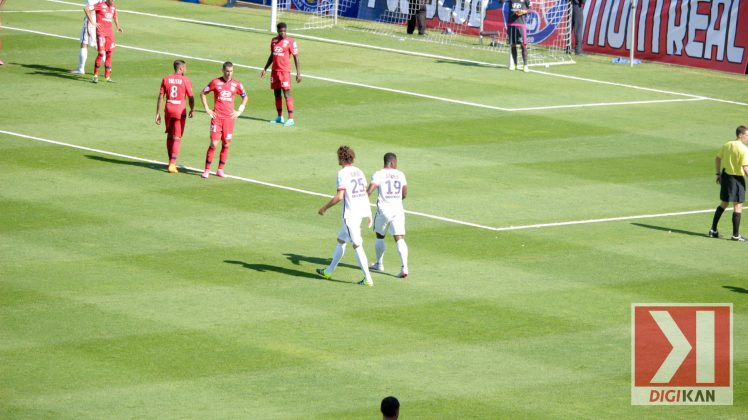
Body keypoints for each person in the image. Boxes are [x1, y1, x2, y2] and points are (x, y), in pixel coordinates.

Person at [316, 146, 375, 287]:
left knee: (357, 245)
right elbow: (364, 193)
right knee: (341, 240)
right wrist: (368, 213)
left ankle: (368, 279)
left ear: (342, 158)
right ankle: (328, 271)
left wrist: (324, 208)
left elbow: (340, 196)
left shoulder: (342, 173)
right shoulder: (359, 171)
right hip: (359, 212)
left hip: (350, 216)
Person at [200, 61, 248, 179]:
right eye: (227, 71)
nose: (229, 74)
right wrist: (207, 108)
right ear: (223, 70)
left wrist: (239, 111)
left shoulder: (237, 84)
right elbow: (203, 93)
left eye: (231, 71)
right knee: (213, 143)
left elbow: (245, 96)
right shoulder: (215, 82)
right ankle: (206, 170)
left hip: (229, 119)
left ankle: (220, 169)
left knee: (226, 144)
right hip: (217, 118)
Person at [367, 153, 409, 278]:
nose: (396, 165)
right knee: (399, 238)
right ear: (391, 162)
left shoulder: (379, 174)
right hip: (398, 210)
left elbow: (369, 191)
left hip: (384, 210)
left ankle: (379, 264)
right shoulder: (400, 174)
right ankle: (405, 267)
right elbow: (405, 193)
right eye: (396, 162)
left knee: (380, 236)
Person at [709, 126, 748, 241]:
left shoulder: (727, 145)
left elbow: (717, 158)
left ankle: (713, 230)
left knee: (724, 203)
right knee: (738, 205)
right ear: (740, 135)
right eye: (747, 135)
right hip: (737, 178)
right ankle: (736, 235)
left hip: (726, 177)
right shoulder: (744, 149)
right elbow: (745, 168)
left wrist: (717, 174)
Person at [155, 60, 195, 174]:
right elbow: (191, 97)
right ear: (181, 69)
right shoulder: (185, 80)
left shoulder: (166, 78)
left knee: (170, 135)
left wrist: (157, 113)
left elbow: (161, 97)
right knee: (177, 137)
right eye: (185, 68)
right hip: (179, 110)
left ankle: (170, 161)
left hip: (168, 109)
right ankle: (172, 164)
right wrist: (192, 109)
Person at [260, 22, 301, 127]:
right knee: (276, 94)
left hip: (285, 72)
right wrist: (265, 68)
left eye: (284, 31)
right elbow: (272, 56)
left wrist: (298, 73)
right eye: (280, 31)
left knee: (286, 94)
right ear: (277, 31)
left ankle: (291, 119)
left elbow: (296, 57)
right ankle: (280, 117)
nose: (283, 33)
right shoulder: (273, 41)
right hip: (275, 72)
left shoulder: (291, 41)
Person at [89, 0, 123, 83]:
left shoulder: (113, 7)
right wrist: (92, 22)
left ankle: (107, 77)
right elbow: (86, 8)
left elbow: (115, 16)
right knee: (101, 53)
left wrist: (118, 26)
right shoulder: (100, 5)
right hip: (101, 32)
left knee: (109, 53)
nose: (112, 1)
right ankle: (95, 75)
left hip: (109, 34)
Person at [70, 0, 103, 74]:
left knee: (84, 44)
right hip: (100, 22)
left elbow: (89, 9)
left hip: (92, 22)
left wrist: (89, 23)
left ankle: (81, 68)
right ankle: (108, 67)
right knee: (99, 46)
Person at [507, 0, 531, 72]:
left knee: (523, 45)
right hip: (511, 24)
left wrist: (523, 12)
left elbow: (530, 9)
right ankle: (515, 64)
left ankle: (525, 65)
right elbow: (501, 1)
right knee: (513, 45)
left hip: (521, 25)